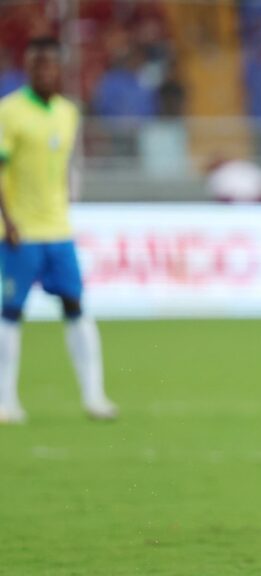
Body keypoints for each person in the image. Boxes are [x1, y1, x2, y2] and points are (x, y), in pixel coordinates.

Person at [0, 37, 118, 425]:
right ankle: (5, 400)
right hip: (20, 232)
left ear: (59, 69)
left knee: (75, 305)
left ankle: (94, 396)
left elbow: (63, 164)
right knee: (10, 313)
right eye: (37, 65)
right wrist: (8, 221)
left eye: (50, 65)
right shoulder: (9, 112)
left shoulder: (68, 113)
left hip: (59, 230)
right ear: (27, 68)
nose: (44, 72)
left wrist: (67, 197)